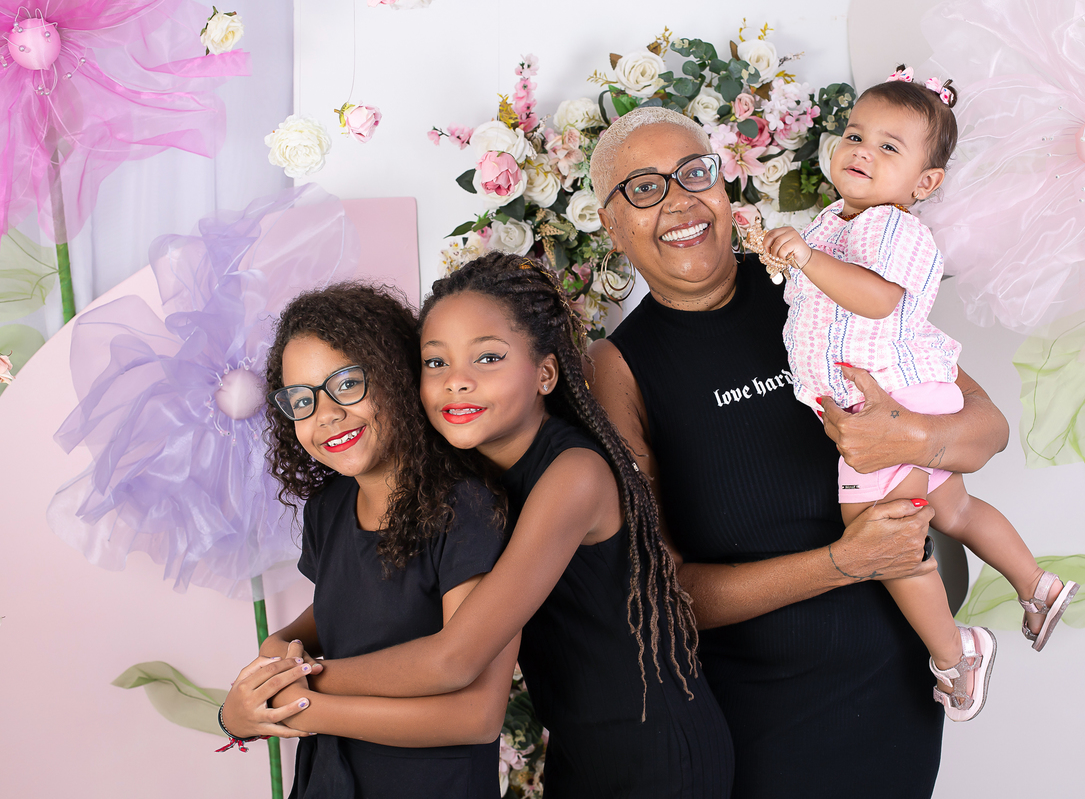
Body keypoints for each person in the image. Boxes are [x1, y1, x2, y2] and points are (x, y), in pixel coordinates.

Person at [588, 104, 1009, 797]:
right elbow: (662, 596)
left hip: (899, 695)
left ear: (724, 187)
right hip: (758, 722)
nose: (679, 201)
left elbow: (988, 429)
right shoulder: (619, 368)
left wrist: (910, 436)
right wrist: (845, 562)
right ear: (611, 223)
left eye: (695, 173)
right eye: (644, 187)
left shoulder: (823, 280)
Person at [278, 254, 734, 798]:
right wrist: (283, 643)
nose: (457, 382)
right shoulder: (467, 473)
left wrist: (298, 679)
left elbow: (456, 657)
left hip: (657, 754)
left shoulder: (574, 475)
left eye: (488, 357)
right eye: (436, 362)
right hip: (577, 748)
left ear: (545, 373)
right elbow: (367, 587)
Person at [744, 67, 1078, 721]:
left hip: (892, 402)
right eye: (854, 135)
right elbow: (816, 303)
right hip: (913, 394)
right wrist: (788, 256)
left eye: (889, 146)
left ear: (925, 184)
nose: (862, 151)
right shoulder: (834, 223)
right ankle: (1037, 583)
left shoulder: (892, 229)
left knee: (882, 537)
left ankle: (957, 652)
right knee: (953, 509)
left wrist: (806, 260)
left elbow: (879, 300)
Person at [218, 284, 521, 798]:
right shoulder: (328, 509)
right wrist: (271, 662)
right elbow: (335, 620)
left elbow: (475, 717)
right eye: (303, 400)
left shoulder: (467, 507)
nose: (326, 414)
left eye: (347, 384)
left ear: (396, 373)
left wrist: (303, 702)